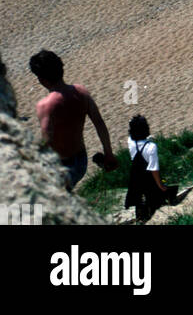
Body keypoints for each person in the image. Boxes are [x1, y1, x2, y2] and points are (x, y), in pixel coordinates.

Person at [29, 49, 117, 189]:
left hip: (62, 168)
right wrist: (108, 153)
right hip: (81, 162)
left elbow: (47, 142)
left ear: (41, 79)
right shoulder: (81, 92)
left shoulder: (45, 106)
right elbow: (99, 123)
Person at [125, 115, 177, 222]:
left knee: (139, 203)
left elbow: (133, 134)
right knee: (152, 204)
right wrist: (161, 185)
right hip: (148, 180)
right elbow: (154, 169)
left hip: (135, 178)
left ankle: (140, 219)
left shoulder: (130, 142)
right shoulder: (151, 147)